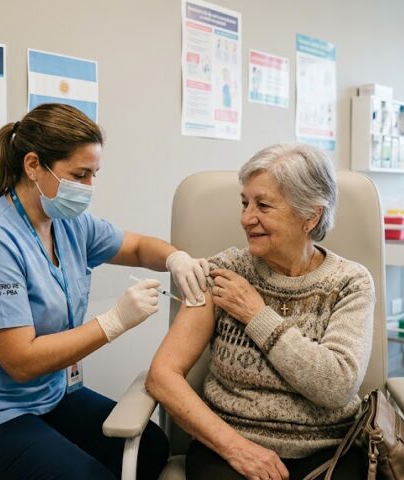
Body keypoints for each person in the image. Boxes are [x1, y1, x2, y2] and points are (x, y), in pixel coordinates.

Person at [0, 103, 211, 480]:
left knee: (150, 449)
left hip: (44, 396)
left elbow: (135, 246)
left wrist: (175, 259)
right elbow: (21, 362)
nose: (88, 188)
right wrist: (114, 322)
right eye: (79, 175)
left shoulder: (69, 224)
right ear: (33, 165)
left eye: (94, 175)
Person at [145, 144, 376, 480]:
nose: (246, 218)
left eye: (263, 205)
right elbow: (162, 376)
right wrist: (236, 448)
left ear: (310, 215)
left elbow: (337, 385)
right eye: (244, 203)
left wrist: (257, 315)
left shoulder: (349, 283)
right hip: (228, 450)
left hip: (329, 450)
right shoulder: (226, 272)